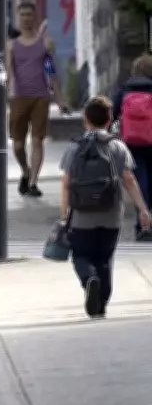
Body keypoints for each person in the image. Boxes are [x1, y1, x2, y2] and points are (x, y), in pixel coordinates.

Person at [60, 96, 151, 317]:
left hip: (82, 214)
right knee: (105, 257)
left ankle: (89, 279)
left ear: (86, 119)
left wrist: (64, 212)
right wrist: (142, 208)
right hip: (111, 213)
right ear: (110, 120)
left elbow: (66, 181)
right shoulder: (117, 146)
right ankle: (101, 303)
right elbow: (128, 178)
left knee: (80, 255)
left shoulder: (74, 147)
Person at [6, 2, 68, 197]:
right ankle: (26, 170)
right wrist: (5, 96)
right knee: (17, 145)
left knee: (37, 141)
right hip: (19, 97)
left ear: (35, 17)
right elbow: (8, 72)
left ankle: (33, 183)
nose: (26, 18)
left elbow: (50, 71)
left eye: (29, 15)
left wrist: (60, 99)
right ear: (18, 18)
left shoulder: (45, 43)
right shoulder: (11, 45)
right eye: (22, 15)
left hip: (41, 97)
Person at [111, 54, 152, 241]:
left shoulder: (125, 90)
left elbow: (111, 113)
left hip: (132, 143)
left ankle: (142, 225)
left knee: (139, 182)